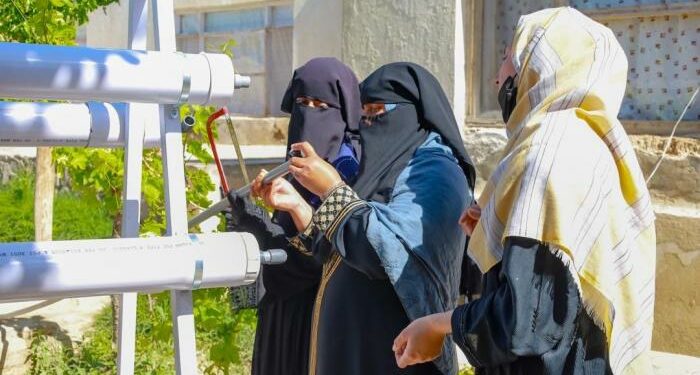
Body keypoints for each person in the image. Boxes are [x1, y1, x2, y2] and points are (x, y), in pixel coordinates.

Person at [392, 7, 656, 375]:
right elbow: (562, 282)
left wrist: (437, 325)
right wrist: (500, 232)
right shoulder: (596, 146)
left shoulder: (548, 152)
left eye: (506, 60)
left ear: (535, 67)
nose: (495, 79)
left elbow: (526, 320)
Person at [260, 62, 476, 375]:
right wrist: (298, 205)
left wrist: (332, 189)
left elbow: (385, 253)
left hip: (399, 358)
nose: (366, 124)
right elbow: (341, 249)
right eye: (362, 115)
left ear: (415, 115)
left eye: (376, 112)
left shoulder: (435, 174)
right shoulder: (384, 168)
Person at [228, 57, 362, 375]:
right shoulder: (290, 171)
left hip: (321, 322)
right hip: (281, 319)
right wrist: (255, 217)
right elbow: (284, 249)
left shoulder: (352, 172)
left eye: (321, 105)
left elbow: (331, 257)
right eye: (302, 103)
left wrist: (288, 213)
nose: (309, 114)